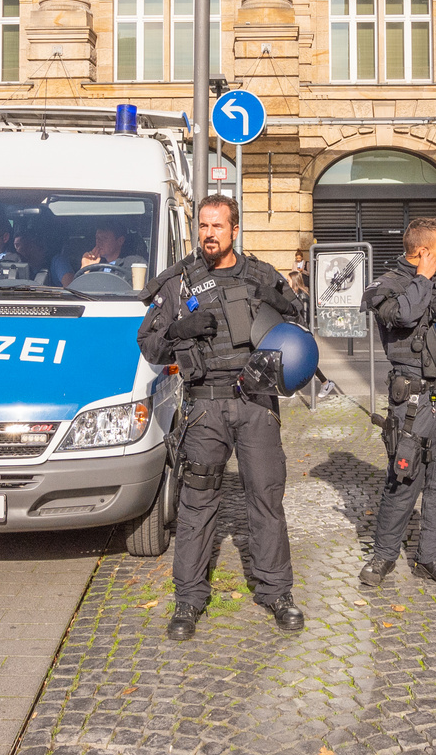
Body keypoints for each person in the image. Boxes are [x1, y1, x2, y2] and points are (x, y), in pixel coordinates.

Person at [138, 194, 309, 641]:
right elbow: (149, 347)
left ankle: (277, 592)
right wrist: (177, 329)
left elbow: (299, 329)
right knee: (196, 504)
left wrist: (285, 306)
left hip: (256, 405)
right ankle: (189, 599)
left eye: (218, 226)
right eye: (203, 226)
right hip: (205, 407)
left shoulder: (261, 276)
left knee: (266, 499)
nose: (209, 234)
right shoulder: (179, 284)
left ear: (234, 229)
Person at [358, 218, 436, 589]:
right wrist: (422, 279)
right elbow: (403, 316)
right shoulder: (385, 285)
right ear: (423, 251)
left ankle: (430, 558)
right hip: (412, 401)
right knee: (403, 478)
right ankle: (383, 556)